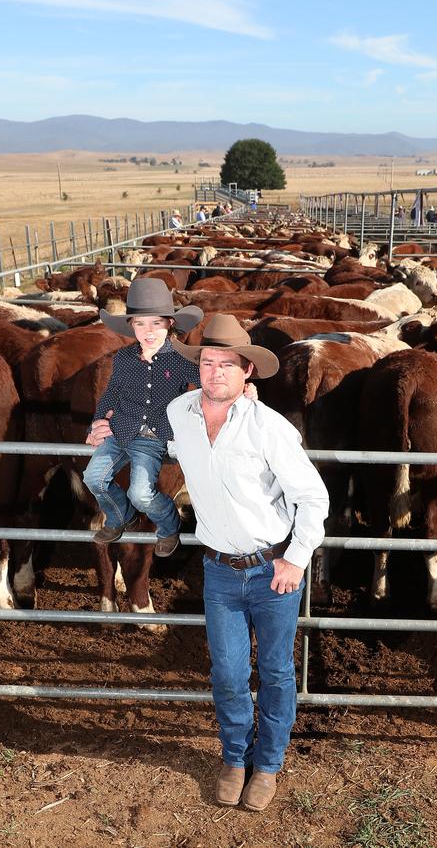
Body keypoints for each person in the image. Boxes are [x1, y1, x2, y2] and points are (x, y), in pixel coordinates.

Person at [167, 314, 329, 812]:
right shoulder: (180, 412)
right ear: (199, 368)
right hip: (217, 570)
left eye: (228, 365)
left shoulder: (268, 427)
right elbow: (149, 432)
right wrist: (105, 427)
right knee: (230, 674)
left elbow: (314, 497)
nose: (216, 372)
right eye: (209, 362)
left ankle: (269, 765)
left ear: (247, 374)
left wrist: (296, 560)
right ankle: (235, 758)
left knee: (277, 671)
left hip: (271, 569)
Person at [83, 278, 203, 556]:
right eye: (140, 324)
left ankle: (169, 525)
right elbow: (112, 393)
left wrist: (243, 389)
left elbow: (208, 384)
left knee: (141, 493)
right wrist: (97, 422)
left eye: (156, 323)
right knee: (93, 478)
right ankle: (120, 517)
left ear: (169, 324)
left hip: (153, 437)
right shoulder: (124, 358)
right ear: (131, 326)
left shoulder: (181, 359)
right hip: (120, 430)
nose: (148, 331)